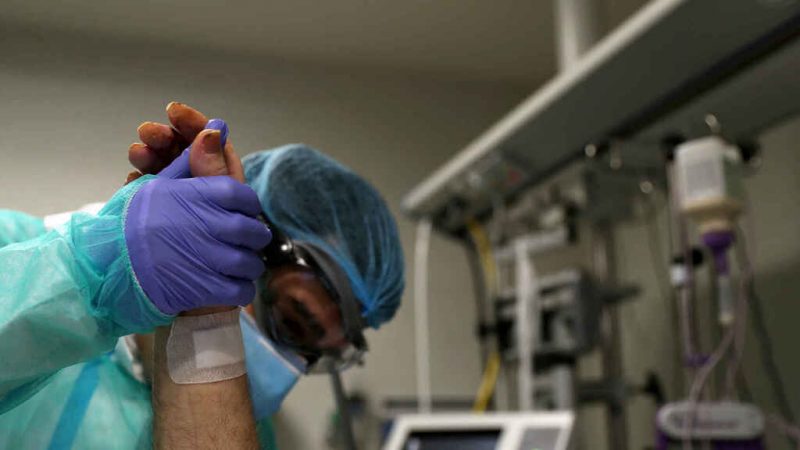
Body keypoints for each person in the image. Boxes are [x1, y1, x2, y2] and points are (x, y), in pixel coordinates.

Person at [0, 102, 405, 449]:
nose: (290, 366)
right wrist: (92, 273)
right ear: (237, 238)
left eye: (314, 354)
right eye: (292, 321)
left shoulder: (247, 433)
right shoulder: (14, 247)